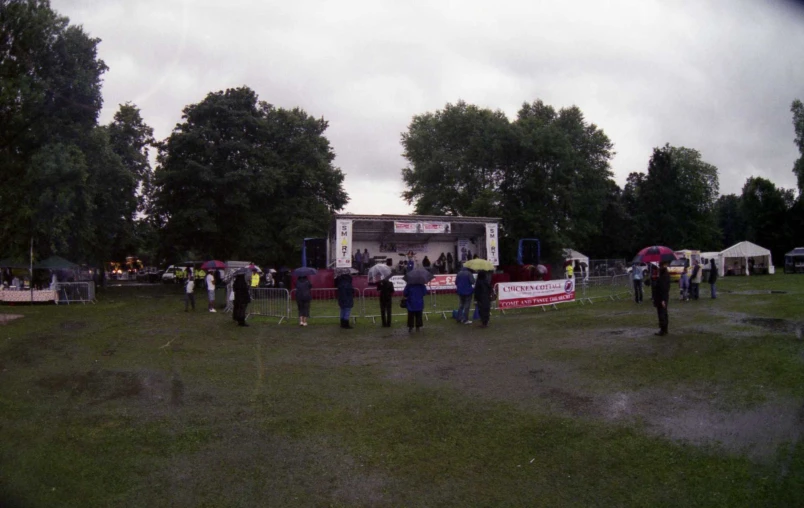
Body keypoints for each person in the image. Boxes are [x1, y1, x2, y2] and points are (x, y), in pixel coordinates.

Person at [653, 261, 670, 336]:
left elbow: (664, 288)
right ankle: (664, 329)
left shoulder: (664, 276)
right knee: (664, 313)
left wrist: (663, 299)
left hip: (661, 298)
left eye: (660, 266)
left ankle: (663, 330)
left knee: (662, 313)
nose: (659, 268)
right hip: (662, 297)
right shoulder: (664, 275)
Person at [377, 259, 395, 327]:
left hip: (382, 297)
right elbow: (392, 291)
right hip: (388, 297)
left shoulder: (380, 283)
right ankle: (388, 323)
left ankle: (383, 323)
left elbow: (378, 290)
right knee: (389, 311)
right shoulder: (390, 283)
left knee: (383, 311)